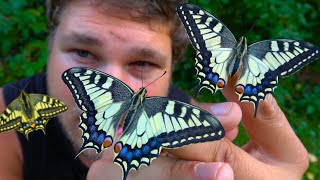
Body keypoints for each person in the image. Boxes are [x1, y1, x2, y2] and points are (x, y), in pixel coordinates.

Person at [0, 0, 308, 179]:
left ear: (173, 65)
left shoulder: (186, 115)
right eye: (83, 53)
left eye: (143, 62)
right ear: (51, 46)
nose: (117, 80)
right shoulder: (8, 115)